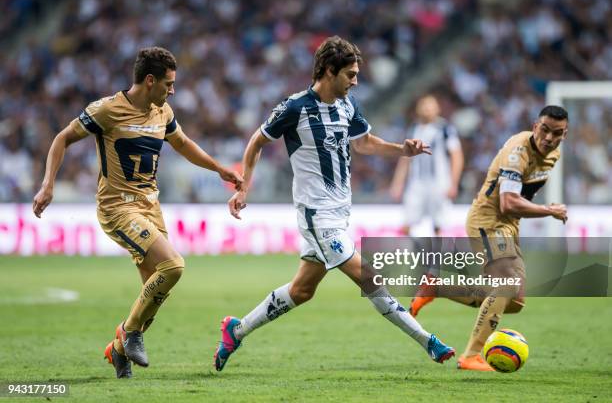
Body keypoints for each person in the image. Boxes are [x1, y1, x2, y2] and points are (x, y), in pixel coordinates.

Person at [213, 36, 455, 372]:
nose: (355, 81)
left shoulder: (347, 105)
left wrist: (403, 150)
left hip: (340, 212)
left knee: (302, 290)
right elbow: (257, 142)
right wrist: (243, 188)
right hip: (315, 214)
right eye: (350, 74)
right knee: (369, 277)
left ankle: (236, 330)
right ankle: (427, 340)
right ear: (329, 71)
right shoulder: (294, 108)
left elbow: (366, 143)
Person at [32, 47, 243, 378]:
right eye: (168, 84)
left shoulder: (163, 111)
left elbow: (184, 143)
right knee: (173, 265)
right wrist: (48, 186)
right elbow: (62, 138)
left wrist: (220, 169)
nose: (172, 90)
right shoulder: (107, 110)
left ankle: (118, 349)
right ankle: (130, 334)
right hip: (117, 207)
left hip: (150, 206)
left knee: (156, 292)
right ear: (149, 81)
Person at [409, 105, 569, 370]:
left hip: (507, 226)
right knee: (506, 285)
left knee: (514, 301)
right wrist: (548, 211)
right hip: (489, 221)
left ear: (565, 134)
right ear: (535, 125)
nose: (549, 138)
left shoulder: (555, 153)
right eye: (545, 130)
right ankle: (471, 354)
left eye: (557, 133)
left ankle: (437, 287)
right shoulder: (518, 152)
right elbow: (507, 203)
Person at [389, 95, 464, 236]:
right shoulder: (413, 129)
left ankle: (438, 255)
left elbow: (457, 156)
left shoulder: (445, 129)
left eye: (430, 105)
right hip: (416, 182)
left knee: (439, 224)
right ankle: (408, 254)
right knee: (407, 221)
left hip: (439, 182)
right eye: (423, 105)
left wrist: (454, 183)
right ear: (418, 109)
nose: (427, 109)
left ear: (437, 109)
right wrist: (397, 183)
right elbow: (405, 159)